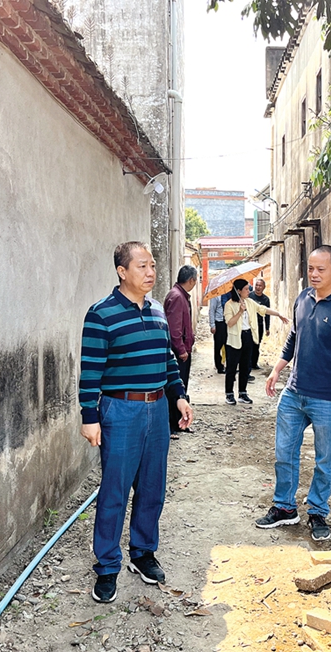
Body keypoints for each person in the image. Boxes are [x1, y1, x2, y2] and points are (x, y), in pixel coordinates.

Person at [79, 241, 194, 603]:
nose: (150, 272)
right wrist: (89, 417)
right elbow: (90, 371)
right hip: (121, 410)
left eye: (152, 265)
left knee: (152, 487)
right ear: (122, 271)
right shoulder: (101, 314)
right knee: (115, 490)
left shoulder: (158, 311)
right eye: (142, 266)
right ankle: (107, 565)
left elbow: (168, 361)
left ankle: (142, 553)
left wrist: (179, 396)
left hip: (157, 409)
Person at [256, 245, 331, 541]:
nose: (314, 274)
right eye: (311, 269)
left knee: (323, 460)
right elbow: (295, 336)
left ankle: (317, 511)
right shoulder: (303, 297)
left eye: (321, 269)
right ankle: (284, 507)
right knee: (284, 452)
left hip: (327, 399)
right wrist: (277, 369)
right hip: (293, 393)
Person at [223, 278, 288, 405]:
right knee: (231, 368)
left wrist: (278, 314)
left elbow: (262, 309)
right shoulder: (229, 305)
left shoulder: (249, 302)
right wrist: (240, 312)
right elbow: (229, 323)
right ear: (238, 291)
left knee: (245, 366)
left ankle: (242, 392)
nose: (249, 291)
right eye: (246, 289)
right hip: (235, 339)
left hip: (248, 336)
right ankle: (229, 394)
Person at [164, 265, 198, 438]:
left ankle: (180, 422)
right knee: (175, 389)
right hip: (178, 353)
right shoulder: (177, 297)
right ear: (191, 280)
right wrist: (181, 349)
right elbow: (174, 328)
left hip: (182, 349)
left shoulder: (180, 295)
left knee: (181, 388)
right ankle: (171, 425)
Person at [249, 277, 271, 370]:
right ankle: (247, 363)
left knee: (257, 344)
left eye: (260, 286)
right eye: (256, 285)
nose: (258, 287)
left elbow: (267, 314)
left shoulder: (266, 299)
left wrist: (267, 328)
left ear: (264, 287)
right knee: (249, 344)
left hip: (259, 324)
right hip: (250, 324)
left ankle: (254, 363)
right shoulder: (249, 296)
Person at [208, 293, 228, 374]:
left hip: (228, 322)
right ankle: (219, 366)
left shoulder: (229, 294)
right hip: (219, 323)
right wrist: (212, 325)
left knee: (228, 345)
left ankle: (228, 365)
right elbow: (212, 310)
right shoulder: (215, 295)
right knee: (218, 346)